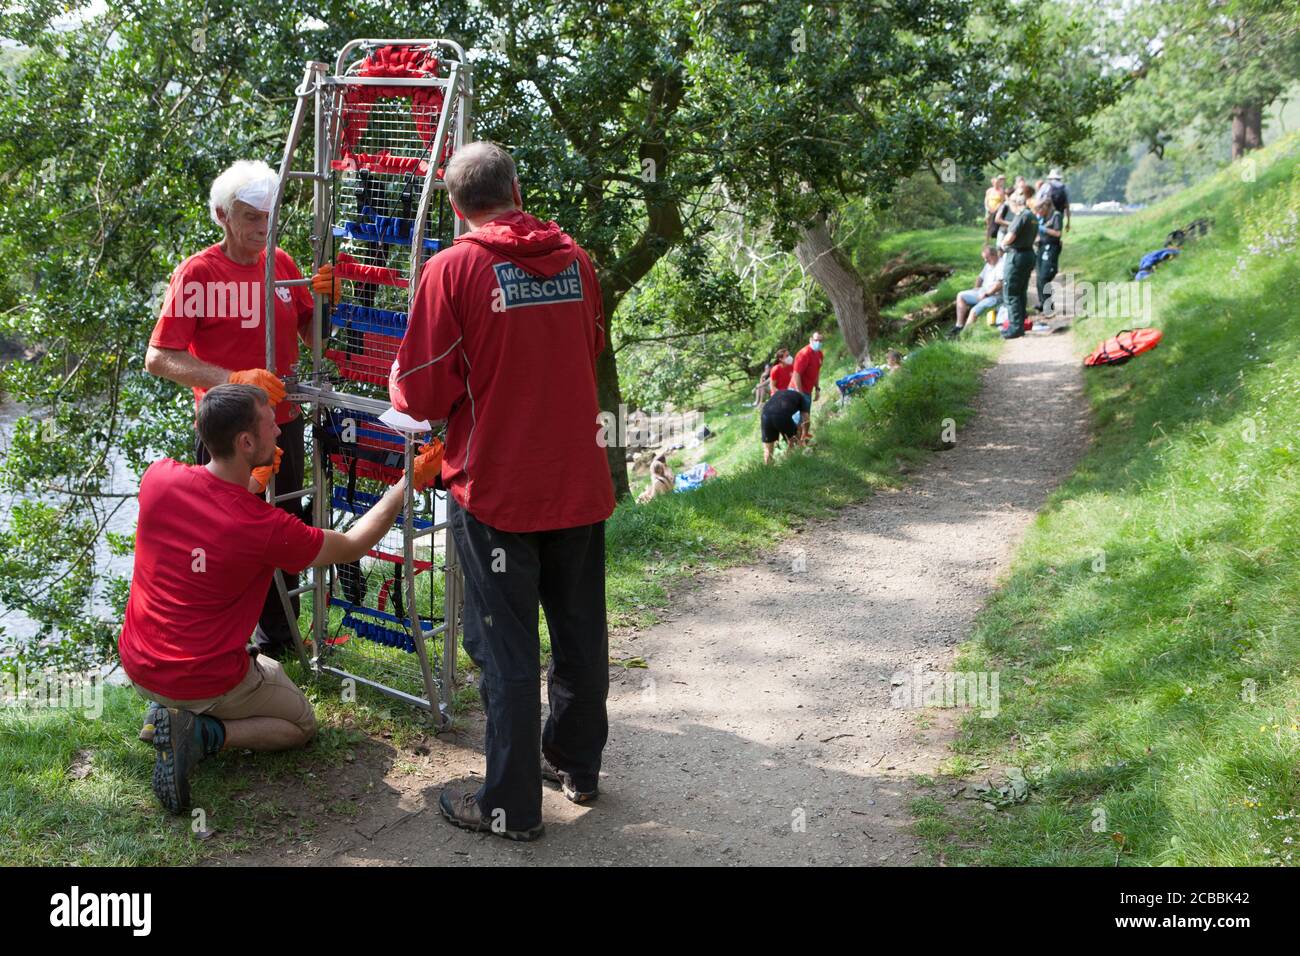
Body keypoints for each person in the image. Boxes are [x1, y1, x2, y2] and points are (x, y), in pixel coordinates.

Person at [389, 141, 615, 843]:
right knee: (580, 634)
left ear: (456, 207)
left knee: (504, 648)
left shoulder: (451, 268)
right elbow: (592, 346)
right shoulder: (577, 262)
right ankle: (575, 765)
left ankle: (511, 809)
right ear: (517, 189)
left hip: (497, 492)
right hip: (578, 480)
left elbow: (423, 388)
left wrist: (413, 386)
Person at [119, 384, 442, 814]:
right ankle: (199, 734)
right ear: (246, 442)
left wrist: (250, 481)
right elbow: (349, 546)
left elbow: (210, 510)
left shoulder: (158, 478)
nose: (282, 429)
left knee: (267, 665)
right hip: (200, 677)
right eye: (272, 423)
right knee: (300, 724)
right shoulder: (263, 527)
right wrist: (404, 484)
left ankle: (166, 712)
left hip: (140, 665)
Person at [144, 160, 342, 661]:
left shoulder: (284, 262)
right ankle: (227, 644)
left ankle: (283, 641)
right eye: (250, 217)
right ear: (222, 215)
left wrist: (327, 305)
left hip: (283, 421)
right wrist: (231, 380)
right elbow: (159, 358)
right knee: (227, 535)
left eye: (269, 217)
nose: (261, 227)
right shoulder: (199, 272)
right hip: (228, 431)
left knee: (288, 520)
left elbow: (314, 339)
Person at [998, 191, 1039, 339]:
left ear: (1014, 203)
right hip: (1028, 254)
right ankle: (1021, 323)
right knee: (1021, 291)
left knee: (1011, 292)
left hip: (1016, 256)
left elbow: (1011, 235)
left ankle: (1015, 327)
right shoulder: (1033, 216)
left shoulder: (1021, 215)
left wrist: (1003, 243)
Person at [948, 245, 1004, 338]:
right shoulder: (989, 264)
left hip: (995, 296)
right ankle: (959, 326)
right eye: (984, 258)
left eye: (987, 258)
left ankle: (963, 335)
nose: (985, 261)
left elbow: (999, 284)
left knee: (974, 311)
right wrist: (976, 288)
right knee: (960, 295)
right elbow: (980, 277)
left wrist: (986, 294)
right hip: (983, 292)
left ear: (994, 255)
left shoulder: (1001, 265)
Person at [1032, 196, 1064, 331]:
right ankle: (1043, 303)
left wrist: (1043, 229)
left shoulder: (1056, 216)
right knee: (1039, 276)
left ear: (1045, 207)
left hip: (1051, 248)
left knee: (1045, 276)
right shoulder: (1043, 217)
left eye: (1039, 210)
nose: (1038, 213)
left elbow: (1057, 233)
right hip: (1042, 247)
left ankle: (1049, 307)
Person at [790, 331, 824, 440]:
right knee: (798, 420)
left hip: (807, 391)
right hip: (796, 390)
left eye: (820, 340)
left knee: (805, 419)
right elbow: (796, 375)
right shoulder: (803, 354)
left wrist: (817, 388)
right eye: (816, 340)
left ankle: (803, 441)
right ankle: (792, 444)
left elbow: (816, 373)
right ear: (811, 340)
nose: (818, 342)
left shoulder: (819, 354)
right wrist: (800, 394)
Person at [760, 387, 805, 464]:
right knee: (793, 441)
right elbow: (805, 418)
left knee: (768, 449)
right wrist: (804, 434)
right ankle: (792, 462)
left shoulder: (780, 393)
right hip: (781, 415)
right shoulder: (800, 397)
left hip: (765, 415)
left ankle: (768, 467)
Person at [1045, 167, 1072, 233]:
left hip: (1047, 217)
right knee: (1057, 235)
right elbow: (1067, 206)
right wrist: (1068, 223)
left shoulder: (1046, 186)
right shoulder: (1064, 188)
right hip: (1060, 216)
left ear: (1050, 178)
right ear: (1059, 178)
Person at [983, 175, 1006, 241]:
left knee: (996, 225)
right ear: (992, 183)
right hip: (989, 210)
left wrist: (996, 209)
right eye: (995, 183)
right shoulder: (989, 191)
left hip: (997, 210)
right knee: (988, 226)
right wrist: (988, 208)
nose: (996, 184)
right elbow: (986, 201)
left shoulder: (1001, 191)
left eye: (997, 183)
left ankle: (997, 238)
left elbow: (1002, 202)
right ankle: (987, 240)